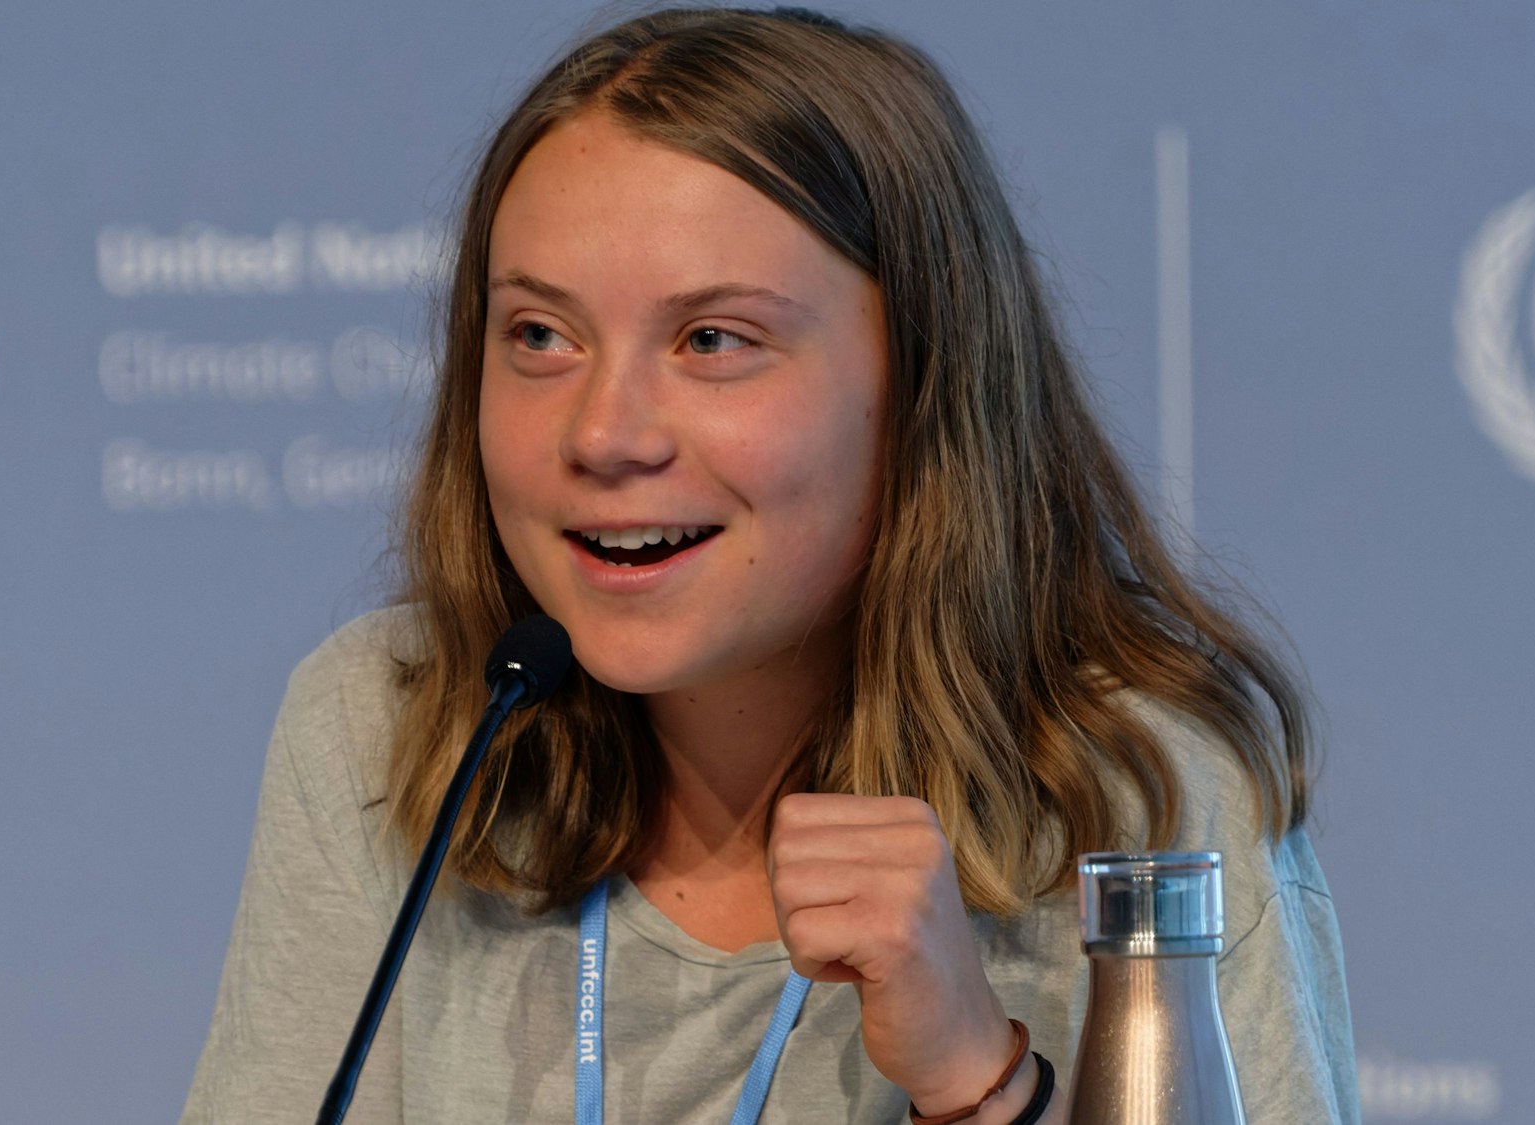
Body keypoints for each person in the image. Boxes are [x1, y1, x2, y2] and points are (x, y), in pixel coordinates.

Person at [180, 7, 1358, 1123]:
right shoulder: (389, 732)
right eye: (539, 335)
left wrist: (972, 1079)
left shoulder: (1144, 793)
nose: (603, 434)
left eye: (711, 340)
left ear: (920, 381)